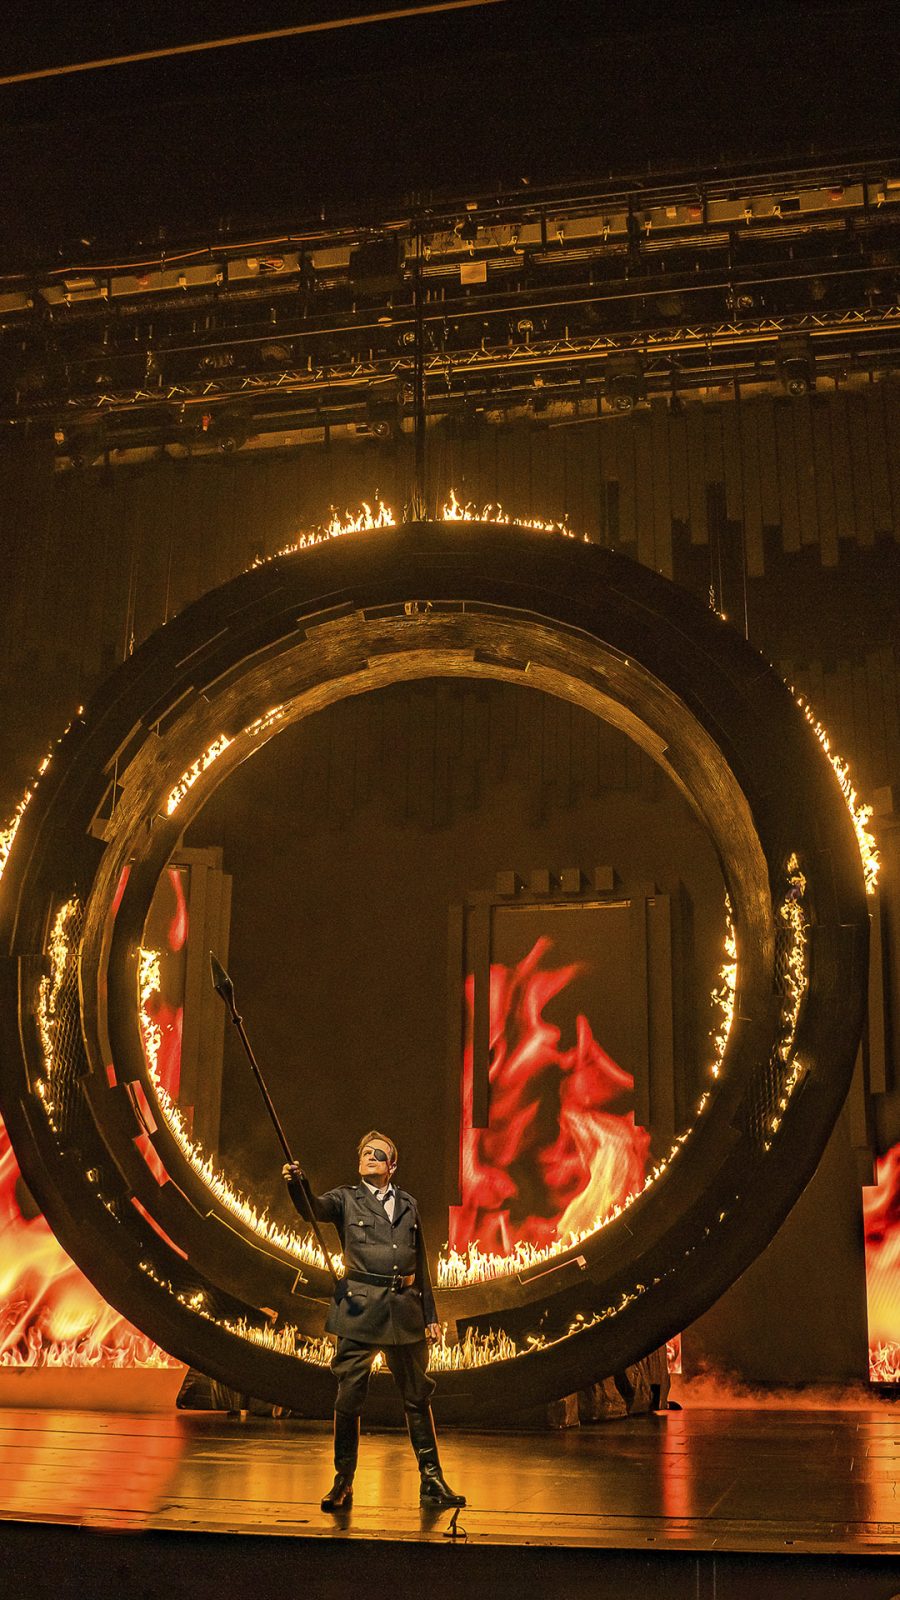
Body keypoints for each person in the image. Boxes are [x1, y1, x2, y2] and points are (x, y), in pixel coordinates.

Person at [283, 1130, 465, 1512]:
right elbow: (312, 1208)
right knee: (348, 1398)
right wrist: (298, 1185)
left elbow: (421, 1262)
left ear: (391, 1166)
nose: (369, 1157)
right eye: (365, 1153)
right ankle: (342, 1482)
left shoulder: (408, 1205)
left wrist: (430, 1315)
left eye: (377, 1154)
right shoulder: (346, 1199)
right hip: (359, 1312)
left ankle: (432, 1481)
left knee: (417, 1396)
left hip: (404, 1312)